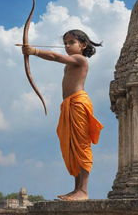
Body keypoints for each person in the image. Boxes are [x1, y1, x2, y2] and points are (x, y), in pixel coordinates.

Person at [22, 29, 104, 201]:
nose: (67, 46)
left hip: (78, 103)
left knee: (81, 146)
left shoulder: (80, 59)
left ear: (82, 45)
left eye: (71, 42)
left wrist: (33, 51)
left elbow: (54, 56)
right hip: (69, 105)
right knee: (72, 147)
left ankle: (83, 190)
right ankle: (76, 190)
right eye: (65, 43)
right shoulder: (71, 63)